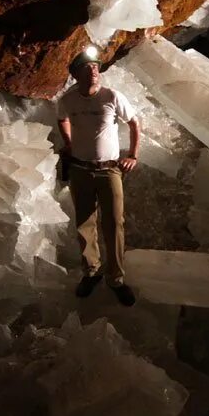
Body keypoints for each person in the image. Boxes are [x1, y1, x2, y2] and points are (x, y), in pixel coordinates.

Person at [56, 46, 141, 306]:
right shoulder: (68, 101)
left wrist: (133, 155)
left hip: (109, 169)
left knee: (114, 223)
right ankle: (91, 271)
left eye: (95, 67)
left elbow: (134, 122)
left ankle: (116, 278)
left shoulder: (112, 96)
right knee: (85, 223)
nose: (94, 70)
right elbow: (62, 119)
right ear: (76, 74)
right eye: (87, 67)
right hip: (81, 170)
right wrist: (69, 143)